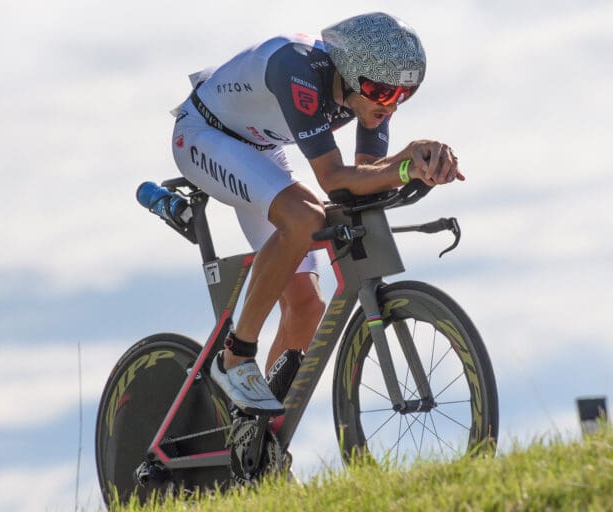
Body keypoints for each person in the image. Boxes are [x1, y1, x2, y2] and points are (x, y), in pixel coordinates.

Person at [170, 12, 464, 416]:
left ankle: (252, 431)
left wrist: (421, 166)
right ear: (351, 73)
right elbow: (334, 179)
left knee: (307, 305)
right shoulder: (299, 69)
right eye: (382, 92)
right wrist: (404, 163)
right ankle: (235, 356)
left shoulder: (373, 95)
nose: (391, 104)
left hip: (259, 147)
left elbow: (364, 180)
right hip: (204, 135)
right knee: (305, 216)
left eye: (403, 95)